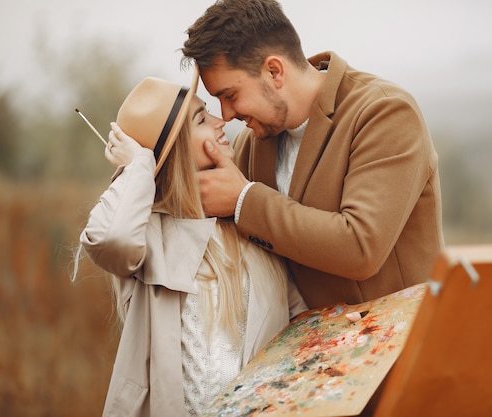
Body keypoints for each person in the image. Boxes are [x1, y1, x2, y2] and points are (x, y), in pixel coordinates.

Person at [72, 67, 307, 417]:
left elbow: (297, 323)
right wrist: (138, 166)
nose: (219, 120)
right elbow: (110, 239)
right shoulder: (148, 236)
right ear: (174, 150)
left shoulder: (249, 224)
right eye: (200, 118)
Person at [180, 0, 444, 310]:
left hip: (404, 346)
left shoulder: (384, 112)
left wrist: (243, 200)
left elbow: (361, 247)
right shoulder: (251, 145)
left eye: (231, 95)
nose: (225, 114)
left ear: (274, 71)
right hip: (309, 353)